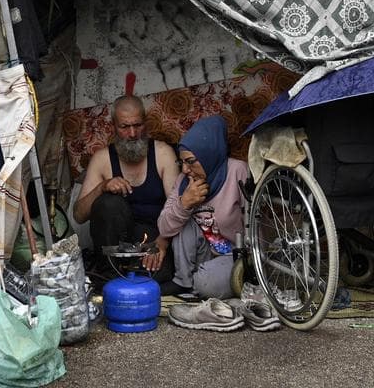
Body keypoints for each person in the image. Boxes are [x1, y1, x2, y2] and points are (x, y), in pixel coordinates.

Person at [73, 95, 179, 283]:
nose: (132, 133)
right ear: (113, 126)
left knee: (159, 277)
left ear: (145, 124)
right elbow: (79, 215)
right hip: (115, 244)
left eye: (137, 125)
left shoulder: (163, 154)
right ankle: (110, 275)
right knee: (108, 202)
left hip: (153, 239)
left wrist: (162, 242)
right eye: (124, 127)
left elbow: (178, 209)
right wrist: (102, 187)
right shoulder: (102, 159)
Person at [151, 115, 250, 299]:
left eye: (191, 161)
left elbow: (255, 225)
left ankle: (201, 285)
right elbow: (164, 228)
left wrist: (252, 265)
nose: (185, 170)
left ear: (209, 154)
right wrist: (184, 204)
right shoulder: (184, 181)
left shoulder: (238, 171)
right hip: (203, 257)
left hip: (236, 256)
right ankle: (183, 282)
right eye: (182, 162)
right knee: (182, 218)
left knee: (206, 284)